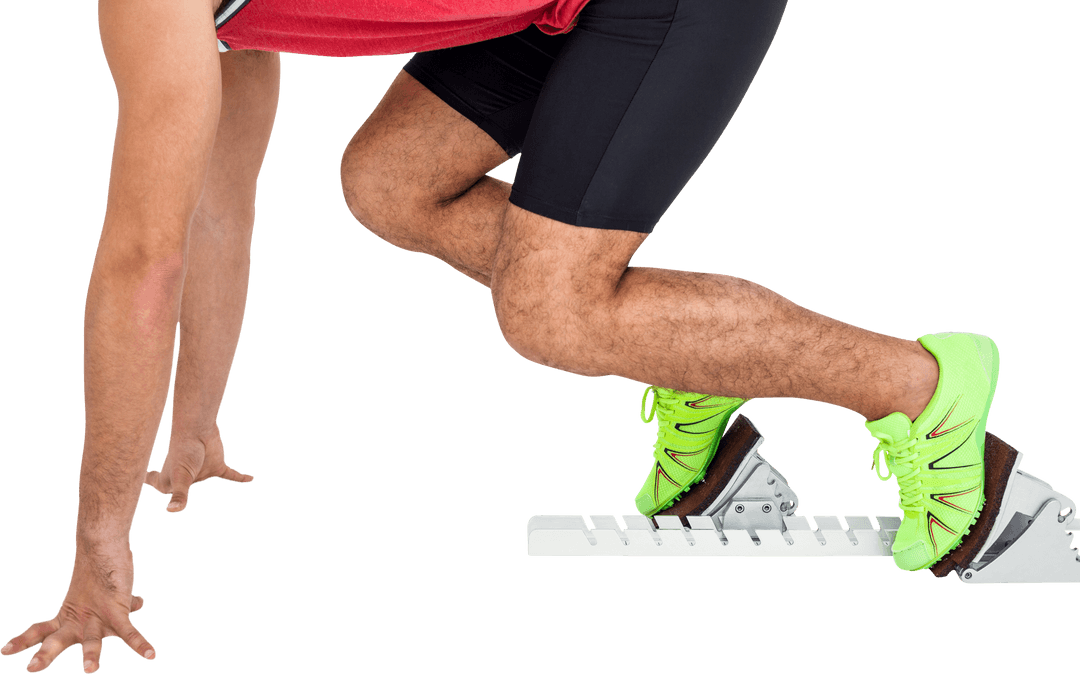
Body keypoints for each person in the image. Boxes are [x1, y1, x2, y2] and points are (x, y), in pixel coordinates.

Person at [1, 1, 1001, 672]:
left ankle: (922, 386)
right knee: (390, 182)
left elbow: (143, 267)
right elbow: (215, 212)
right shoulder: (214, 19)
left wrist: (100, 538)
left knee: (552, 313)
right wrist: (196, 417)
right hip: (563, 8)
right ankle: (684, 353)